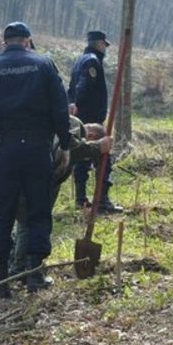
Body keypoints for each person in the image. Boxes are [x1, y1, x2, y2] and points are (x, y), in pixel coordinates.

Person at [0, 21, 70, 297]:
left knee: (3, 214)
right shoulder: (44, 65)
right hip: (38, 150)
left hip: (7, 150)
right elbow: (60, 109)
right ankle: (34, 273)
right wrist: (65, 144)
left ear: (4, 43)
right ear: (27, 41)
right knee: (38, 212)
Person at [0, 116, 113, 283]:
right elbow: (71, 147)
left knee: (13, 217)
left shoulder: (52, 119)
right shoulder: (74, 125)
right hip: (22, 165)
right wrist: (98, 147)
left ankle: (10, 266)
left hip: (2, 159)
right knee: (28, 219)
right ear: (91, 136)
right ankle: (22, 270)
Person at [69, 30, 122, 213]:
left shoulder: (79, 60)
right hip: (90, 117)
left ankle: (81, 199)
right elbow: (83, 86)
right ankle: (102, 200)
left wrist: (72, 105)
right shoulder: (92, 61)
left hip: (80, 117)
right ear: (99, 44)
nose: (105, 49)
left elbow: (71, 89)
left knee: (81, 156)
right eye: (104, 45)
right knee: (103, 153)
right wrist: (78, 104)